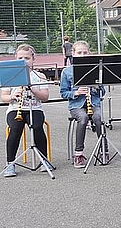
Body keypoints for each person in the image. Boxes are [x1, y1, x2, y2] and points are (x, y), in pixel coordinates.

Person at [2, 44, 54, 177]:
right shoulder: (10, 75)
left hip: (35, 108)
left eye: (27, 58)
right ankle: (10, 162)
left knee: (37, 126)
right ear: (15, 58)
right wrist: (13, 96)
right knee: (15, 128)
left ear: (33, 58)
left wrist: (33, 89)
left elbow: (45, 97)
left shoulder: (39, 76)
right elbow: (3, 97)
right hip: (15, 108)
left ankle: (44, 159)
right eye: (20, 58)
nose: (24, 61)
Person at [59, 40, 104, 168]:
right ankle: (78, 154)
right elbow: (63, 93)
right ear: (73, 54)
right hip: (76, 105)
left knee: (98, 117)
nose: (83, 55)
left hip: (93, 102)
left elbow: (103, 92)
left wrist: (96, 87)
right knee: (83, 118)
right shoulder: (67, 72)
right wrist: (76, 92)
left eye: (85, 52)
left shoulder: (96, 69)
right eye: (79, 53)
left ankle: (103, 150)